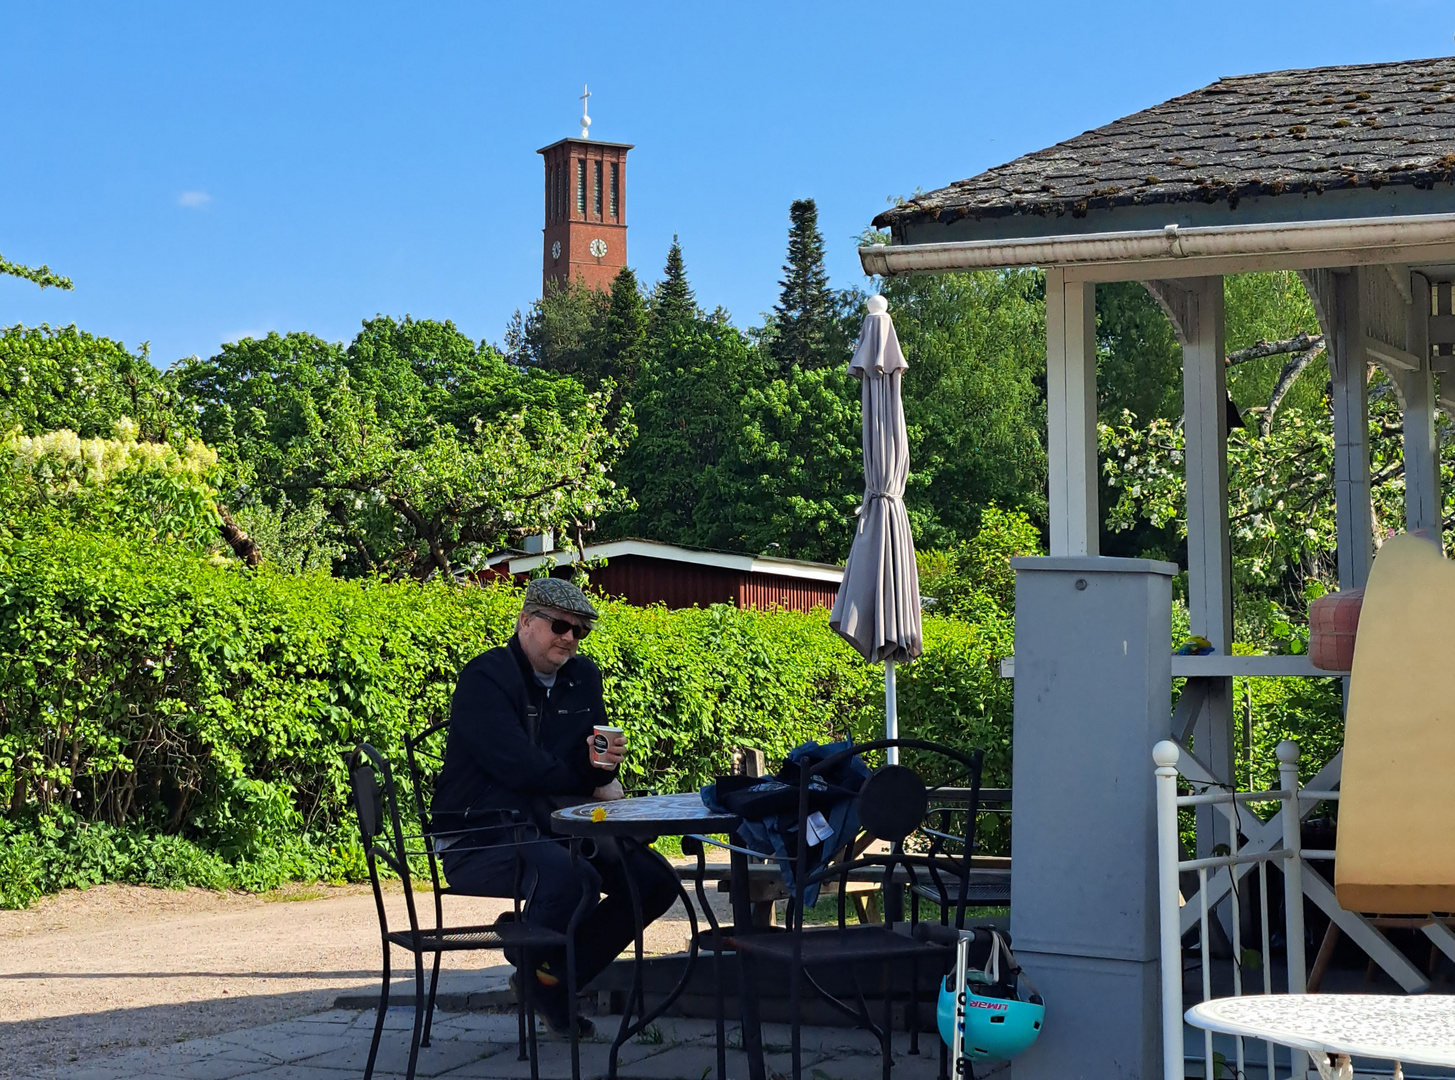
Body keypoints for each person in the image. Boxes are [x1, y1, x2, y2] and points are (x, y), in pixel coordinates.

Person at [431, 577, 679, 1037]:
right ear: (526, 622)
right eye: (560, 625)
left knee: (655, 882)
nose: (569, 638)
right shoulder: (485, 677)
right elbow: (519, 768)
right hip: (480, 834)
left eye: (579, 631)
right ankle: (529, 953)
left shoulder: (583, 677)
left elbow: (588, 759)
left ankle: (547, 976)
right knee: (572, 877)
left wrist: (604, 768)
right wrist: (590, 780)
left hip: (558, 826)